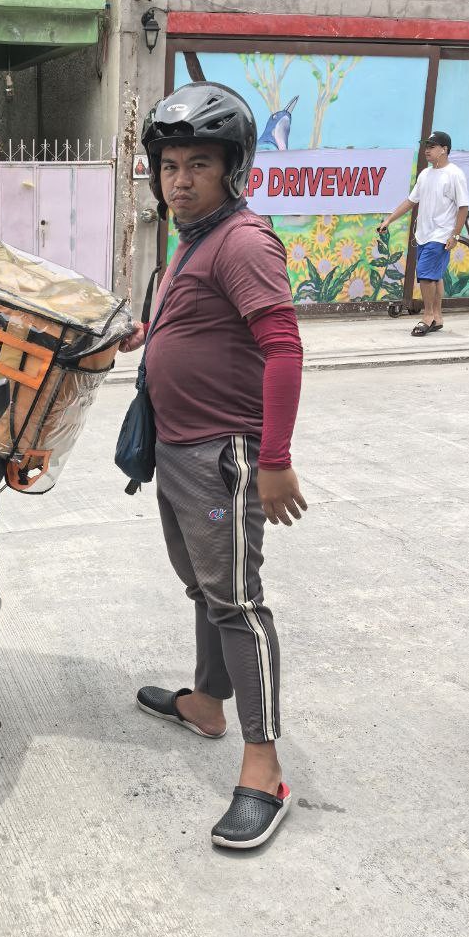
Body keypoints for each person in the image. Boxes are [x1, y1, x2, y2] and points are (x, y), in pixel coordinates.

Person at [120, 81, 305, 850]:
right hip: (176, 448)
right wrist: (141, 334)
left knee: (236, 600)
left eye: (200, 163)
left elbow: (284, 348)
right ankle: (205, 703)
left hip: (223, 455)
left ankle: (263, 769)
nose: (181, 179)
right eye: (169, 164)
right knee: (202, 585)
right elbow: (190, 320)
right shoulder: (193, 240)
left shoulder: (244, 241)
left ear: (234, 169)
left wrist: (275, 460)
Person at [378, 131, 468, 337]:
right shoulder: (425, 174)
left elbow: (463, 207)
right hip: (423, 234)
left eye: (432, 146)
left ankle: (427, 316)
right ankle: (437, 316)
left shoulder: (455, 174)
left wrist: (454, 235)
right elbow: (411, 201)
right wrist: (389, 219)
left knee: (426, 275)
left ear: (444, 149)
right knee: (434, 277)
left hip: (441, 234)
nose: (427, 150)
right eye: (426, 145)